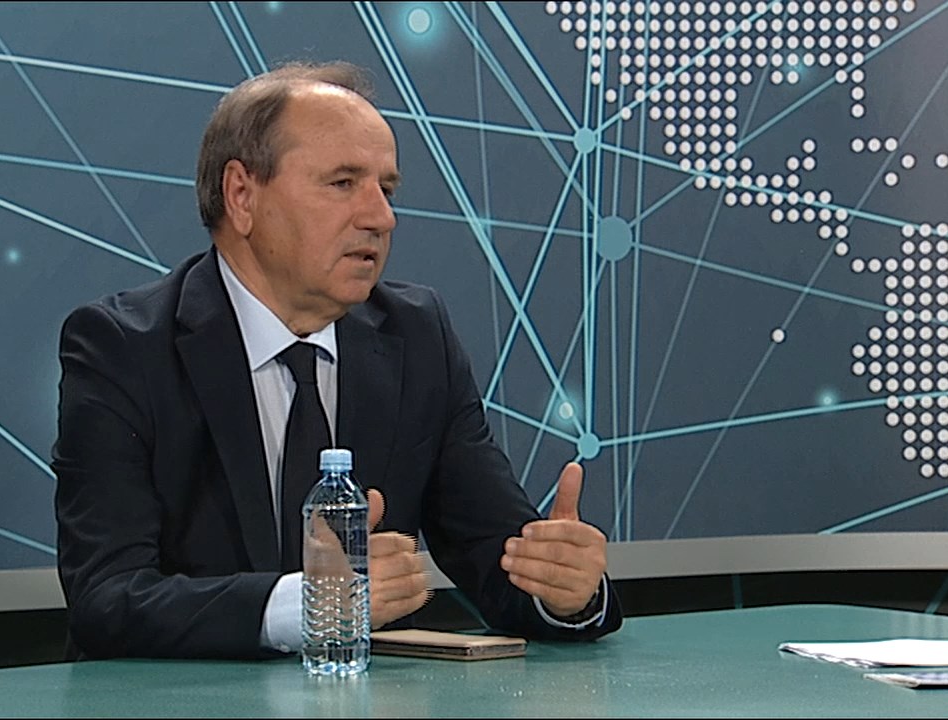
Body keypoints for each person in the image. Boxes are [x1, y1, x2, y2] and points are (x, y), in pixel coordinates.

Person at [52, 60, 623, 661]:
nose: (381, 217)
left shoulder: (417, 337)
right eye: (343, 183)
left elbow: (500, 558)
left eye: (387, 189)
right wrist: (308, 606)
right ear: (242, 195)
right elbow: (107, 599)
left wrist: (564, 589)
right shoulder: (123, 348)